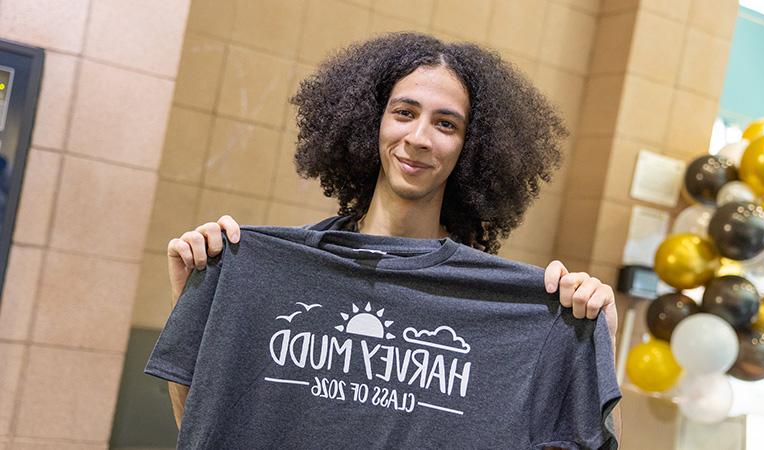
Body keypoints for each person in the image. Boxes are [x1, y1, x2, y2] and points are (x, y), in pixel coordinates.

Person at [164, 32, 621, 445]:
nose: (418, 138)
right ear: (371, 123)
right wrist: (195, 295)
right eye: (404, 113)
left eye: (446, 124)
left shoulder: (509, 312)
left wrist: (600, 334)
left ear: (472, 148)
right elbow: (203, 430)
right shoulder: (266, 271)